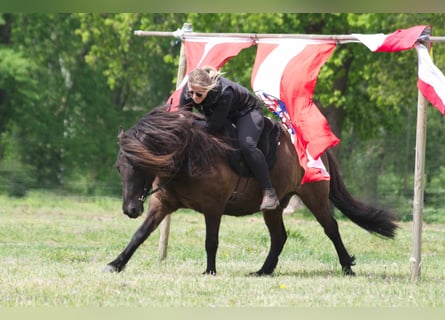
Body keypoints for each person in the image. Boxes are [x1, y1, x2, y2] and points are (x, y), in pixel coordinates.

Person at [179, 66, 280, 211]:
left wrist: (190, 122)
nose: (194, 97)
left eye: (199, 95)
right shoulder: (188, 91)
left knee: (247, 146)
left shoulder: (225, 92)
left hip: (247, 112)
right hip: (224, 115)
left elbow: (213, 126)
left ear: (208, 89)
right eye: (191, 92)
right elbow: (184, 119)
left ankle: (269, 191)